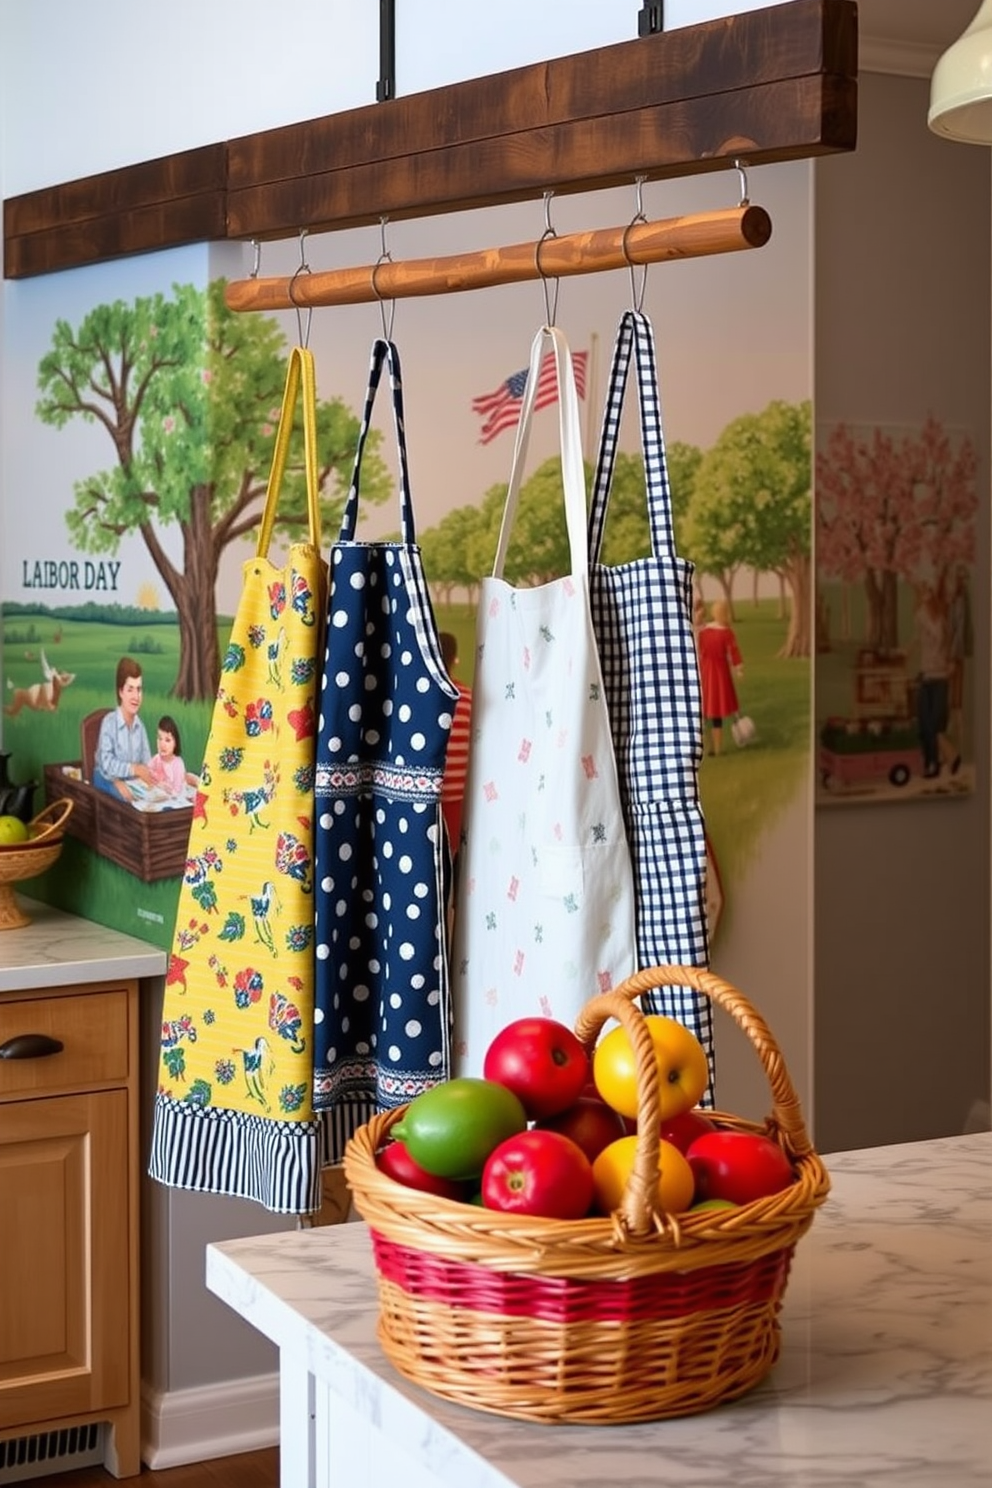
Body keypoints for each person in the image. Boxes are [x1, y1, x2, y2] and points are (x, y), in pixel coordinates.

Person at [93, 656, 153, 800]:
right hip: (106, 779)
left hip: (132, 782)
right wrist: (133, 770)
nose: (136, 696)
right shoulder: (109, 723)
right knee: (125, 797)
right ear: (121, 692)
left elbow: (147, 763)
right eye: (130, 689)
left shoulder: (140, 726)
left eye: (139, 689)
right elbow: (106, 764)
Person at [915, 587, 960, 780]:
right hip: (926, 675)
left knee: (934, 723)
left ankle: (938, 761)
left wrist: (951, 663)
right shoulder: (921, 616)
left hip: (940, 677)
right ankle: (931, 762)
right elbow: (923, 638)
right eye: (925, 593)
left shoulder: (943, 620)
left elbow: (949, 645)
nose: (927, 597)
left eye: (930, 593)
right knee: (925, 724)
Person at [438, 631, 473, 858]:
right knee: (452, 856)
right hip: (459, 796)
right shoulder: (469, 698)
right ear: (455, 659)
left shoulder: (426, 696)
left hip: (433, 794)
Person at [697, 599, 743, 757]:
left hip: (705, 672)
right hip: (720, 673)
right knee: (717, 710)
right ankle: (716, 748)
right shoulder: (726, 632)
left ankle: (708, 747)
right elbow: (733, 652)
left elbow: (700, 650)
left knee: (706, 710)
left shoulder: (704, 632)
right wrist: (738, 669)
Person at [148, 715, 188, 798]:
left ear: (175, 744)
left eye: (167, 740)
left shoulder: (178, 764)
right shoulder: (156, 759)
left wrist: (165, 789)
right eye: (159, 738)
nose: (162, 744)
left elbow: (177, 792)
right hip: (159, 796)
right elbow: (147, 772)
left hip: (174, 798)